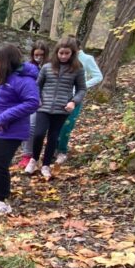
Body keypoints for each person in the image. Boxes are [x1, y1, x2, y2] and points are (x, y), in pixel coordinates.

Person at [0, 45, 40, 216]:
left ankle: (2, 202)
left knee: (0, 165)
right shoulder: (2, 81)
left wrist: (5, 118)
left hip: (12, 131)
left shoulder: (24, 80)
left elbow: (33, 102)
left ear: (4, 61)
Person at [26, 36, 88, 180]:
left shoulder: (77, 69)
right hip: (43, 107)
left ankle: (46, 165)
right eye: (61, 53)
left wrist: (73, 102)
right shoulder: (47, 67)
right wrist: (38, 98)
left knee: (53, 137)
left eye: (67, 53)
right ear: (56, 52)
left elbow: (82, 89)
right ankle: (34, 159)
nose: (64, 56)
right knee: (38, 134)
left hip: (62, 109)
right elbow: (37, 85)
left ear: (72, 53)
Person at [55, 41, 103, 162]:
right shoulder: (62, 59)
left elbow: (98, 76)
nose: (65, 54)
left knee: (67, 125)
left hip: (75, 97)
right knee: (55, 124)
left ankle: (62, 151)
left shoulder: (87, 59)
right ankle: (53, 149)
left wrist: (82, 85)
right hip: (58, 96)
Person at [17, 42, 49, 170]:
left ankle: (34, 155)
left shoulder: (50, 67)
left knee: (34, 127)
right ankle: (26, 154)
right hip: (29, 100)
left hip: (45, 101)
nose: (39, 57)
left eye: (41, 55)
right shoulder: (28, 67)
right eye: (36, 55)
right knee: (27, 126)